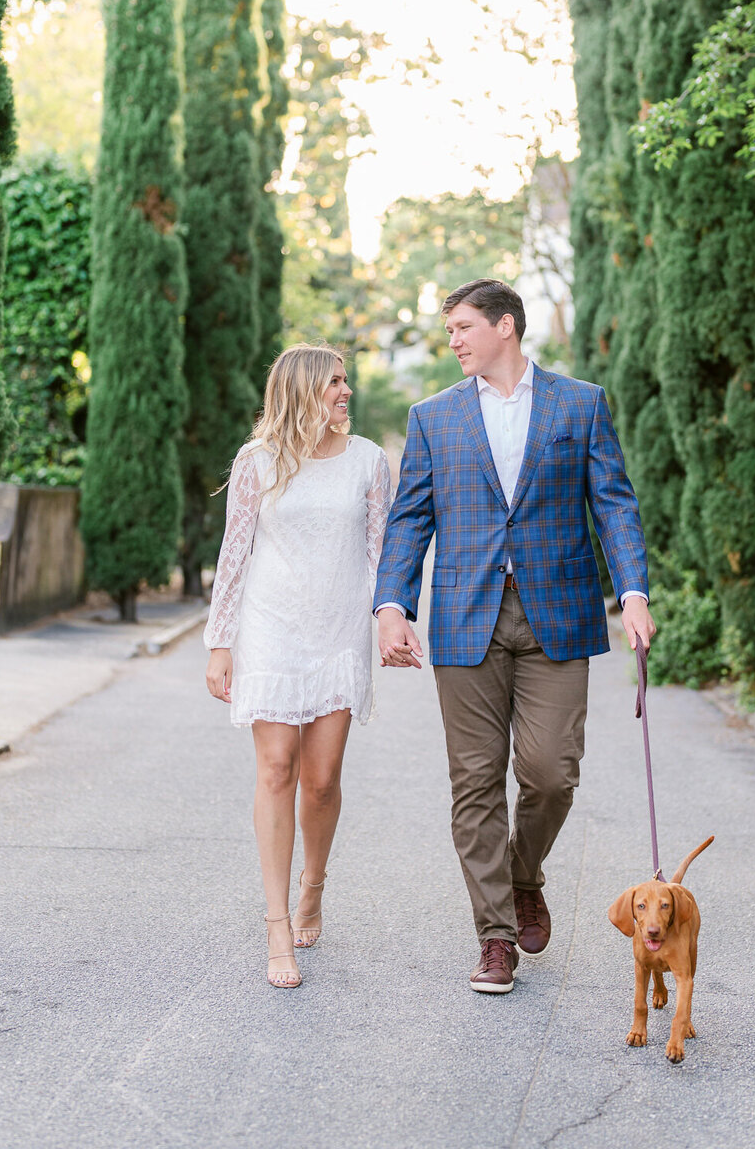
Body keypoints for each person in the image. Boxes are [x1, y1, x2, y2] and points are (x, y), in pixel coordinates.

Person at [374, 278, 654, 994]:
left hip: (557, 613)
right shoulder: (433, 418)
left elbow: (613, 504)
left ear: (506, 326)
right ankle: (495, 936)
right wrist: (391, 607)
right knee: (474, 785)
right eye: (450, 332)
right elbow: (410, 521)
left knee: (552, 771)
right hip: (466, 618)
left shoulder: (579, 404)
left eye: (464, 327)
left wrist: (633, 592)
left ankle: (523, 873)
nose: (455, 341)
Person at [204, 344, 391, 989]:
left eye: (346, 381)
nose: (346, 391)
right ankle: (277, 922)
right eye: (335, 382)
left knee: (321, 776)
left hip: (338, 629)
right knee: (276, 768)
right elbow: (235, 553)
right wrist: (219, 641)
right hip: (271, 628)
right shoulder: (258, 462)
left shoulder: (368, 460)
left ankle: (315, 882)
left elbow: (380, 552)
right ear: (303, 390)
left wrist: (393, 619)